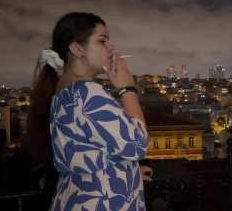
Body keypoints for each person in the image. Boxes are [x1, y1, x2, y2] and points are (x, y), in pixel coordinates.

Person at [26, 12, 149, 211]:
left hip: (78, 196)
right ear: (76, 48)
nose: (111, 47)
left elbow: (84, 148)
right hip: (102, 203)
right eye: (102, 41)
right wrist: (128, 88)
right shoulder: (87, 92)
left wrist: (126, 170)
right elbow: (137, 144)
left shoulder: (63, 91)